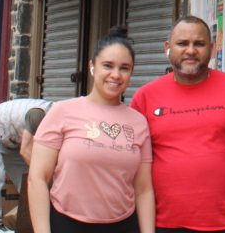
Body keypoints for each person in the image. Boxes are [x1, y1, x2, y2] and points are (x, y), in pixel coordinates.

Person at [131, 16, 225, 233]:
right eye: (182, 43)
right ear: (167, 48)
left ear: (212, 48)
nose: (190, 50)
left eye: (198, 44)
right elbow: (129, 161)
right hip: (162, 224)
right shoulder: (145, 97)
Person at [28, 28, 154, 233]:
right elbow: (38, 178)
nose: (116, 74)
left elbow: (144, 189)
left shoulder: (138, 122)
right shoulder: (62, 111)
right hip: (66, 223)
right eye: (108, 65)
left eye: (124, 68)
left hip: (123, 225)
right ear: (92, 66)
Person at [0, 98, 52, 233]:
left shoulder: (57, 119)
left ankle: (32, 220)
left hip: (12, 140)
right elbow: (25, 150)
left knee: (27, 180)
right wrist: (41, 173)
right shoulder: (38, 114)